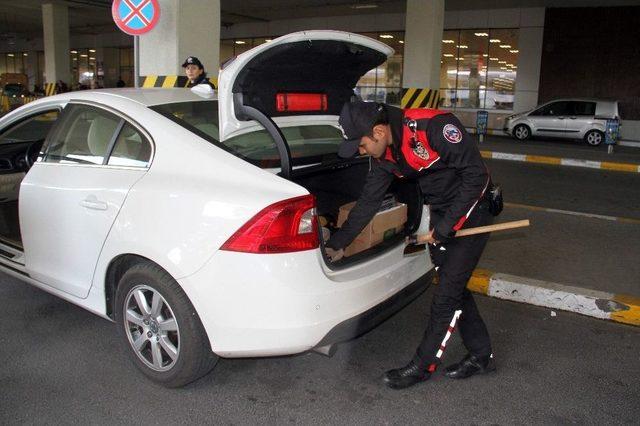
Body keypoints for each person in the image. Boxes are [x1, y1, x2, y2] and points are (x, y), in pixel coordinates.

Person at [325, 100, 497, 390]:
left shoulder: (435, 127)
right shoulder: (384, 156)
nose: (360, 151)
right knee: (453, 289)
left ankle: (423, 365)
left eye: (361, 144)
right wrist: (340, 243)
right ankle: (482, 354)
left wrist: (444, 229)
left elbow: (477, 177)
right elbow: (368, 202)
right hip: (443, 213)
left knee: (445, 297)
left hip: (473, 210)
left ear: (378, 131)